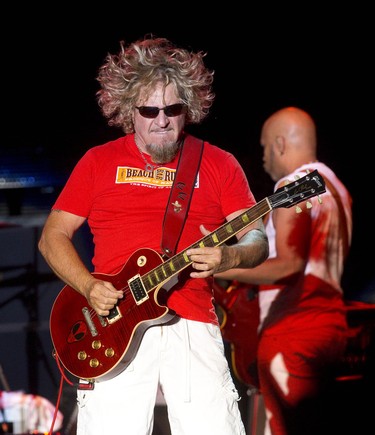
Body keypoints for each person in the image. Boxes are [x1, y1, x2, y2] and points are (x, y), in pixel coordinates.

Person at [38, 35, 269, 435]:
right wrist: (89, 286)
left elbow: (257, 240)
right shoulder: (98, 161)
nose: (161, 120)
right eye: (148, 110)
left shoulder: (218, 163)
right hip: (110, 325)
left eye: (172, 109)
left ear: (189, 108)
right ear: (128, 108)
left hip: (192, 322)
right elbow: (52, 236)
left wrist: (230, 258)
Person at [216, 106, 353, 435]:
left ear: (279, 144)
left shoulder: (292, 185)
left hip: (293, 329)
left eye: (264, 147)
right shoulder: (338, 189)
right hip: (332, 326)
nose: (263, 157)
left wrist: (222, 263)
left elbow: (290, 265)